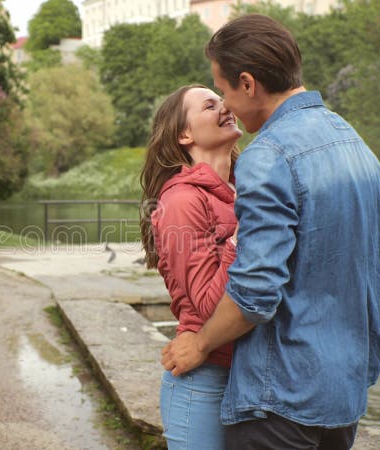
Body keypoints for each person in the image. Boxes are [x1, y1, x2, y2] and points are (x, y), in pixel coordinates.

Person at [160, 14, 380, 450]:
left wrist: (201, 343)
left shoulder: (269, 155)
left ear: (248, 84)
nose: (225, 105)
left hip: (280, 398)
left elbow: (254, 292)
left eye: (224, 91)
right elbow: (376, 274)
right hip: (342, 392)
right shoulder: (355, 144)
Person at [140, 84, 242, 449]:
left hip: (250, 376)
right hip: (205, 382)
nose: (225, 106)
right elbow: (208, 305)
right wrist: (241, 238)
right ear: (184, 134)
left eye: (224, 99)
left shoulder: (245, 190)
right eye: (209, 105)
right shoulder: (181, 200)